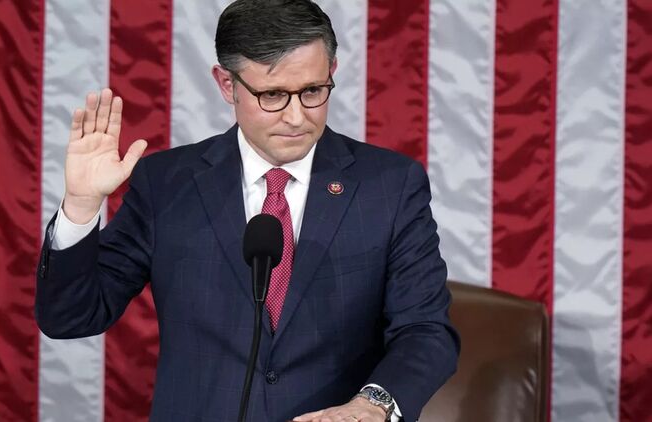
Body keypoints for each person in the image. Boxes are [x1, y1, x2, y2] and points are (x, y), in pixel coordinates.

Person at [35, 0, 459, 421]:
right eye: (273, 95)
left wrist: (372, 405)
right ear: (227, 85)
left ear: (331, 72)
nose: (296, 117)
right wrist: (81, 206)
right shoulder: (166, 185)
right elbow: (71, 318)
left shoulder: (389, 185)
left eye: (312, 91)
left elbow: (425, 329)